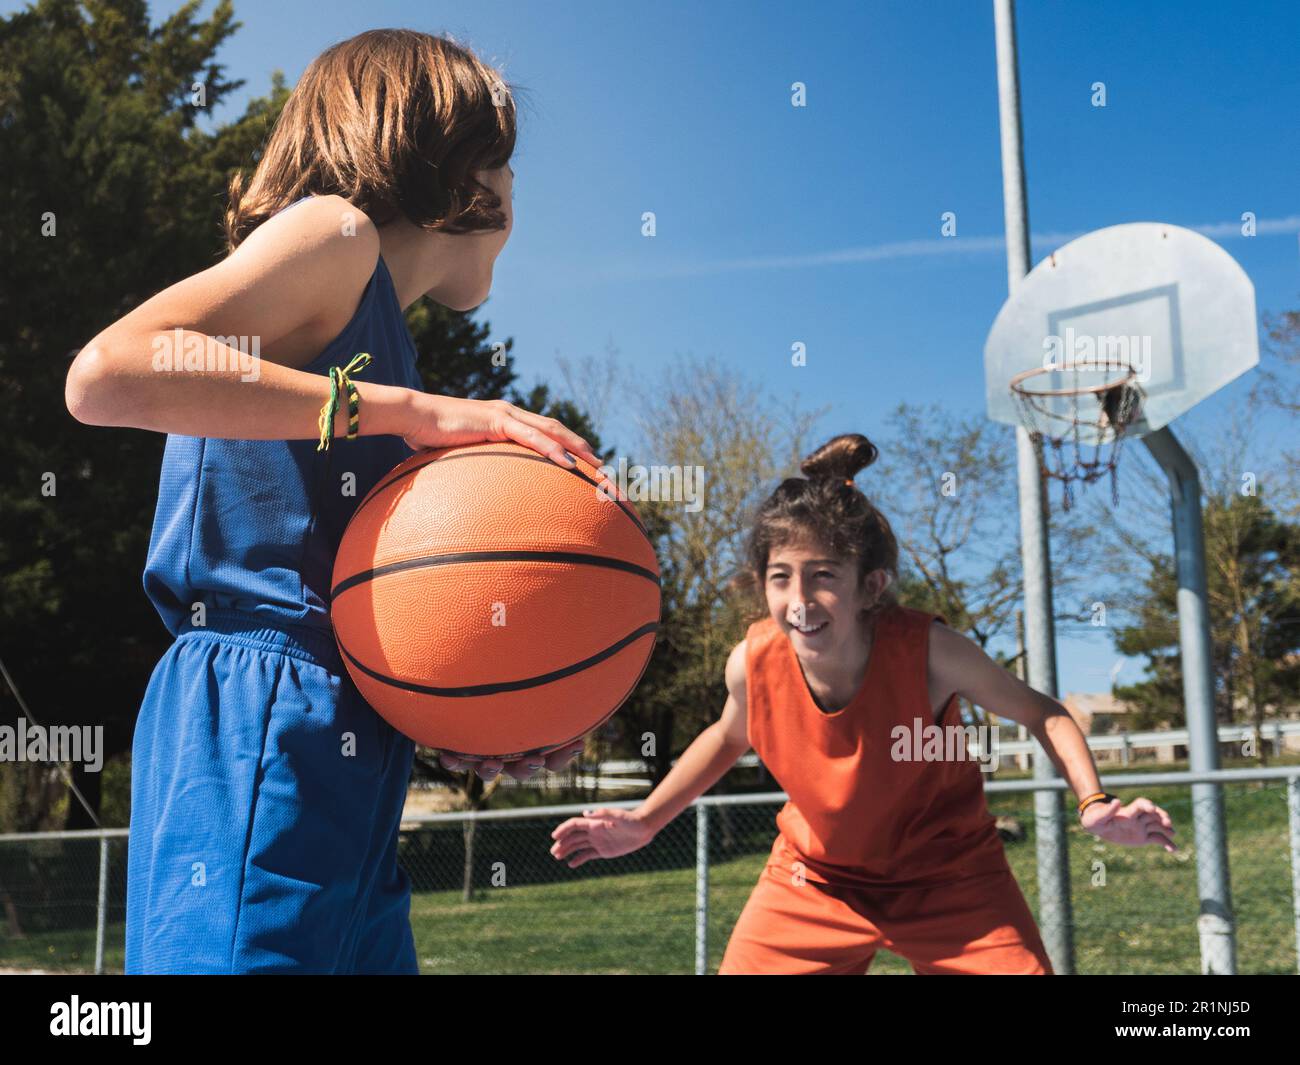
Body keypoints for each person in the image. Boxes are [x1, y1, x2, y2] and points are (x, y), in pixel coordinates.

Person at [65, 29, 608, 974]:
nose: (519, 194)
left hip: (348, 734)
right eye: (506, 162)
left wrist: (476, 712)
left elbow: (375, 600)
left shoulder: (387, 345)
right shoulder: (337, 236)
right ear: (450, 158)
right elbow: (106, 374)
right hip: (255, 714)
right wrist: (412, 409)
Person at [549, 432, 1177, 975]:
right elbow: (727, 735)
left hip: (949, 878)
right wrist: (646, 820)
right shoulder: (753, 661)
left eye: (823, 576)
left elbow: (1046, 713)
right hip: (816, 880)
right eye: (780, 577)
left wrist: (1095, 805)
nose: (799, 598)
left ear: (869, 586)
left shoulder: (929, 652)